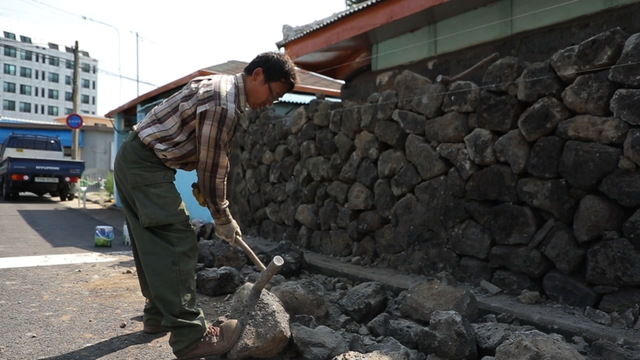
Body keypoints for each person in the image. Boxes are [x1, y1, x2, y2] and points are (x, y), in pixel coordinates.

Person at [114, 51, 298, 359]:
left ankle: (158, 315)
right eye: (273, 93)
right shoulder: (224, 103)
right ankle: (191, 337)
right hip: (144, 164)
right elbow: (213, 165)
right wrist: (222, 215)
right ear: (257, 75)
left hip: (135, 158)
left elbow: (206, 152)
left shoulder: (221, 88)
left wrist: (205, 190)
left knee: (152, 241)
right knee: (177, 241)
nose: (271, 102)